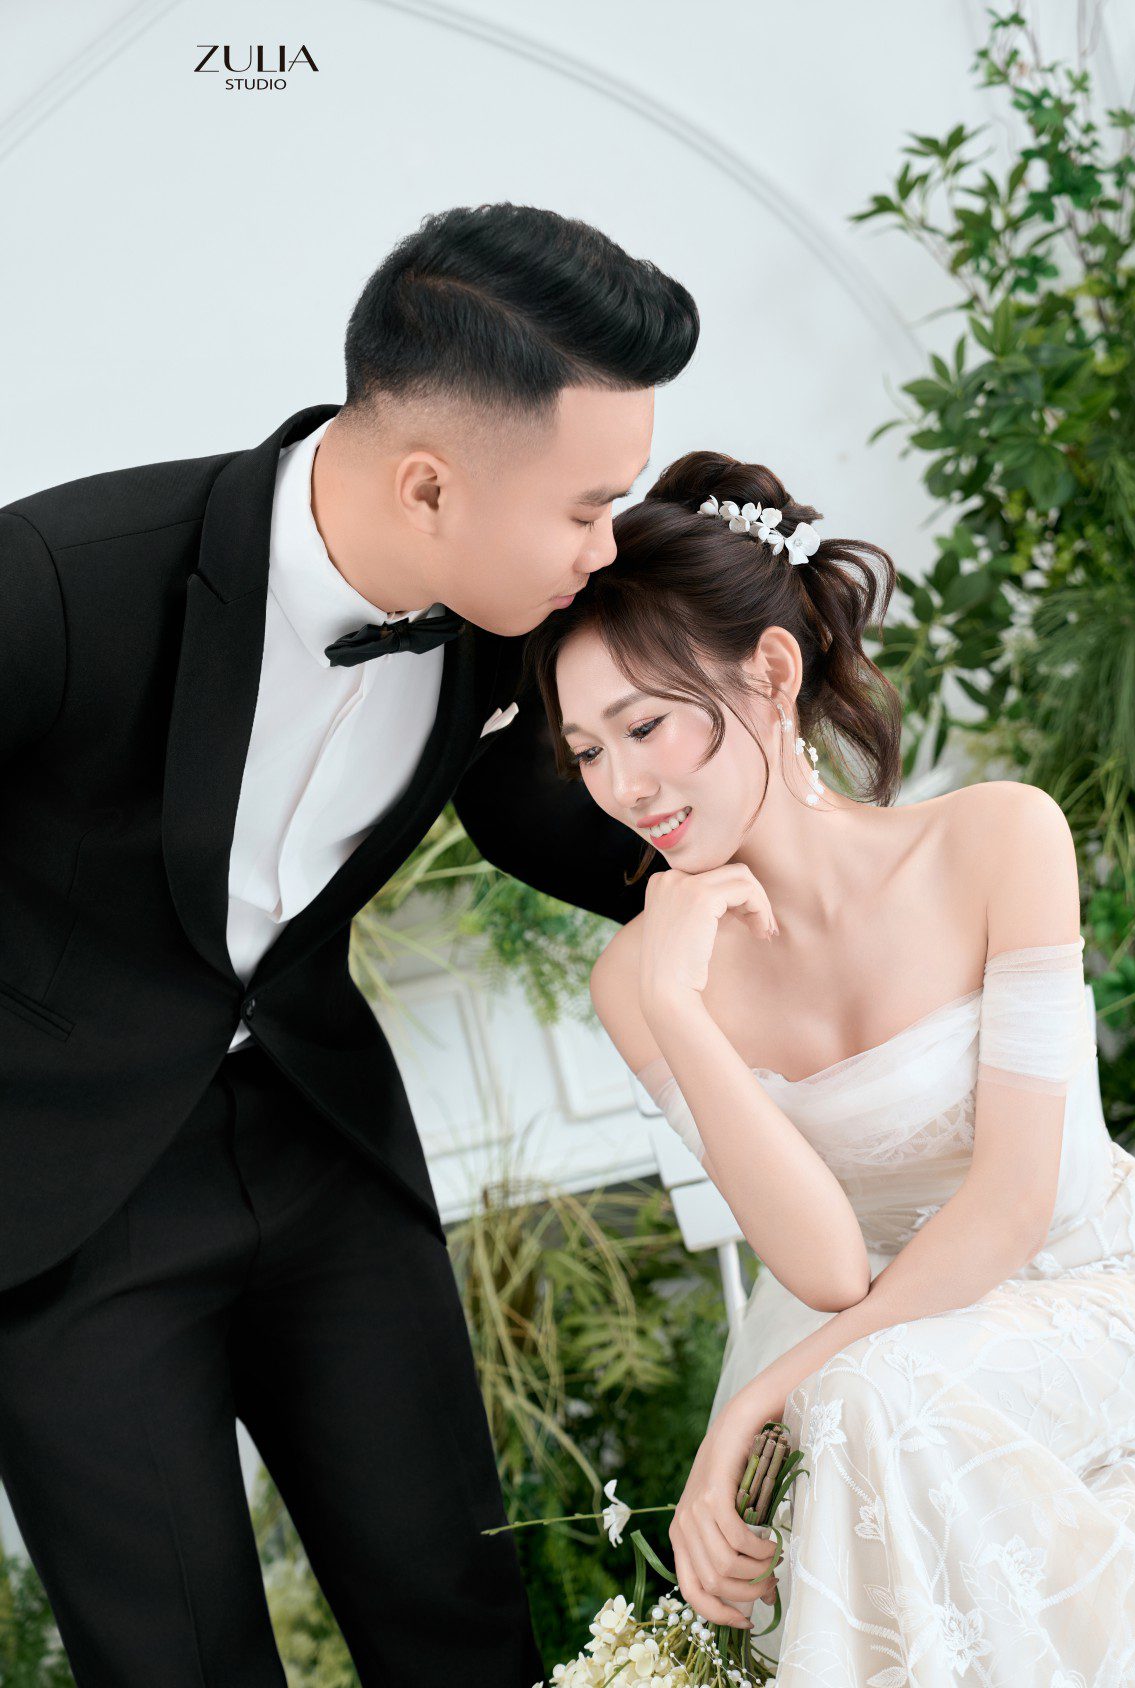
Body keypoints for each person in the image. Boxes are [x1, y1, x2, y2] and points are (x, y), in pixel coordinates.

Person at [0, 203, 695, 1687]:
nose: (605, 545)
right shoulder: (56, 579)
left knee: (460, 1622)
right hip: (58, 1200)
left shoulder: (510, 609)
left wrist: (728, 883)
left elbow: (540, 811)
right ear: (429, 483)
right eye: (586, 506)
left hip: (325, 1147)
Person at [523, 448, 1135, 1684]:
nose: (624, 785)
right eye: (588, 750)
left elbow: (1014, 1197)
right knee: (873, 1398)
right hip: (870, 1331)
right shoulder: (642, 978)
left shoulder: (996, 837)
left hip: (1100, 1277)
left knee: (866, 1398)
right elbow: (821, 1266)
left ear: (771, 673)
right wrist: (674, 1004)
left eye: (645, 725)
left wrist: (764, 1396)